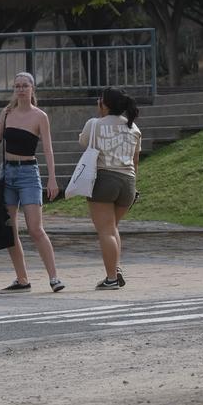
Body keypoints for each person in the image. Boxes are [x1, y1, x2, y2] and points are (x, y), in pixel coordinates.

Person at [0, 71, 63, 293]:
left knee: (35, 228)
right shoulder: (7, 113)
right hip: (8, 173)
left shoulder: (40, 117)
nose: (20, 89)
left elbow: (48, 149)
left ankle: (54, 277)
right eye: (17, 86)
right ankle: (22, 279)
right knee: (10, 230)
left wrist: (53, 178)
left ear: (32, 89)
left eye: (24, 86)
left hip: (29, 173)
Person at [81, 87, 142, 290]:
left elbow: (83, 141)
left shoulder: (95, 124)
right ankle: (115, 270)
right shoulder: (134, 128)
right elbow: (135, 160)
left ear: (104, 104)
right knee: (113, 227)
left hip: (105, 178)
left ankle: (111, 278)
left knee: (105, 230)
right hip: (129, 182)